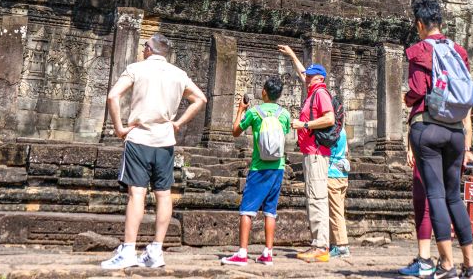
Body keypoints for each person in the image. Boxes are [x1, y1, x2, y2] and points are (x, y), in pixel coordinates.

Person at [101, 34, 207, 270]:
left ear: (149, 49)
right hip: (165, 141)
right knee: (163, 194)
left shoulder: (136, 69)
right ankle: (156, 250)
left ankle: (129, 249)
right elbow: (200, 99)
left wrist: (119, 128)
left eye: (144, 47)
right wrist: (178, 122)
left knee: (136, 194)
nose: (142, 50)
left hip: (139, 138)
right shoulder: (178, 74)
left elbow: (113, 95)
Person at [405, 0, 473, 279]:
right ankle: (469, 265)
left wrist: (406, 99)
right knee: (454, 196)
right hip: (456, 132)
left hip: (428, 128)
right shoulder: (458, 50)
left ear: (420, 24)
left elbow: (417, 90)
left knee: (434, 194)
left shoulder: (419, 50)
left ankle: (446, 263)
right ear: (442, 23)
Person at [221, 76, 292, 267]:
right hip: (278, 168)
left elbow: (235, 131)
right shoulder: (284, 114)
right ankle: (268, 253)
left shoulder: (254, 113)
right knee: (270, 211)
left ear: (264, 92)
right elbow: (283, 134)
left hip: (259, 167)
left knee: (247, 210)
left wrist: (240, 110)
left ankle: (242, 253)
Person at [278, 43, 336, 263]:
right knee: (313, 195)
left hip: (317, 152)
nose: (307, 78)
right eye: (308, 76)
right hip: (311, 152)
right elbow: (302, 71)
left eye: (311, 76)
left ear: (319, 78)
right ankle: (318, 243)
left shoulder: (320, 93)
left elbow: (329, 118)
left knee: (317, 196)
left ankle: (320, 246)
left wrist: (305, 125)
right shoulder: (313, 91)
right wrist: (293, 55)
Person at [397, 139, 435, 276]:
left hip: (441, 144)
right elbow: (414, 119)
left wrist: (466, 148)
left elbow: (466, 121)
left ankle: (443, 262)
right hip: (426, 144)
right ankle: (426, 260)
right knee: (422, 201)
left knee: (446, 202)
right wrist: (411, 148)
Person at [327, 129, 350, 258]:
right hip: (342, 173)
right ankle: (335, 243)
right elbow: (346, 151)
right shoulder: (343, 130)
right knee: (337, 211)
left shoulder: (332, 130)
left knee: (335, 213)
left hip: (332, 173)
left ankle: (341, 246)